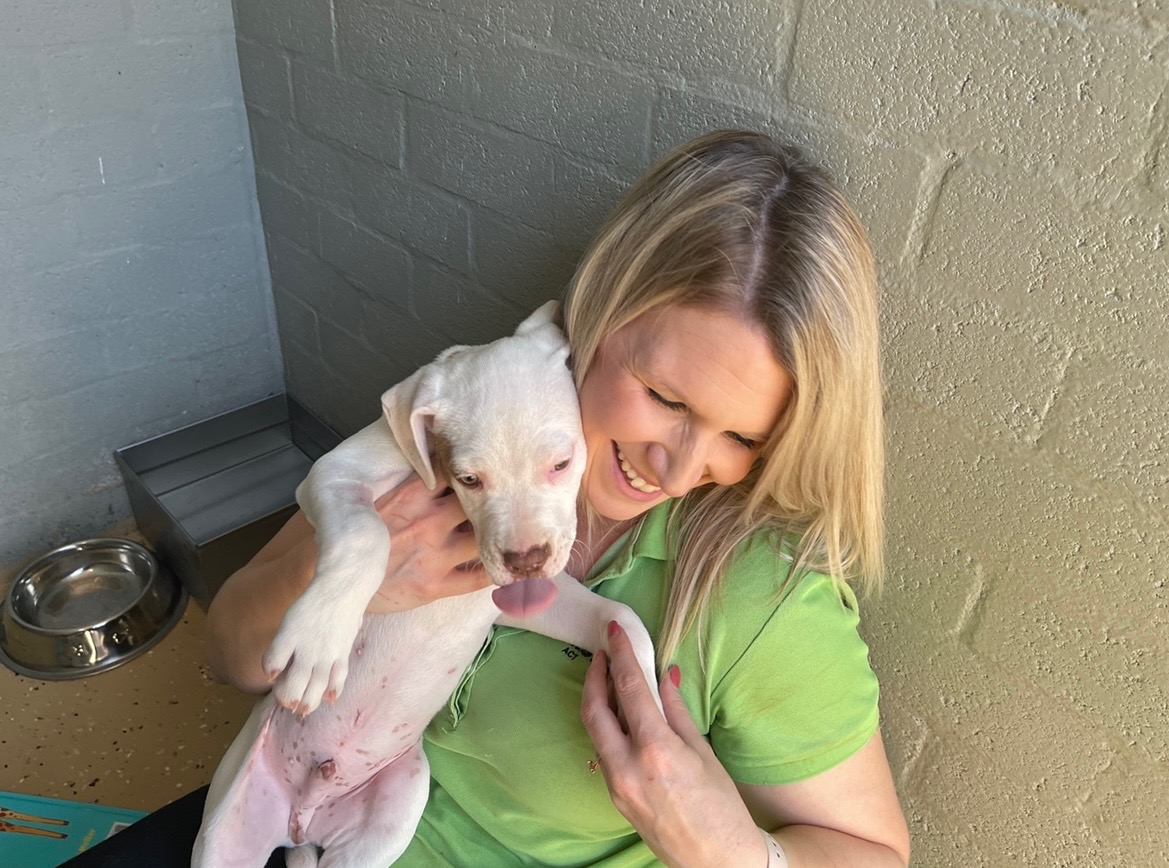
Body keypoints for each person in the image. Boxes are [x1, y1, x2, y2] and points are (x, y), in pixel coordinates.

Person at [68, 130, 910, 867]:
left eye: (742, 437)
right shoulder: (473, 421)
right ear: (596, 310)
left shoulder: (762, 603)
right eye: (666, 396)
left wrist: (734, 856)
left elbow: (875, 852)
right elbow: (224, 656)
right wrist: (351, 576)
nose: (682, 468)